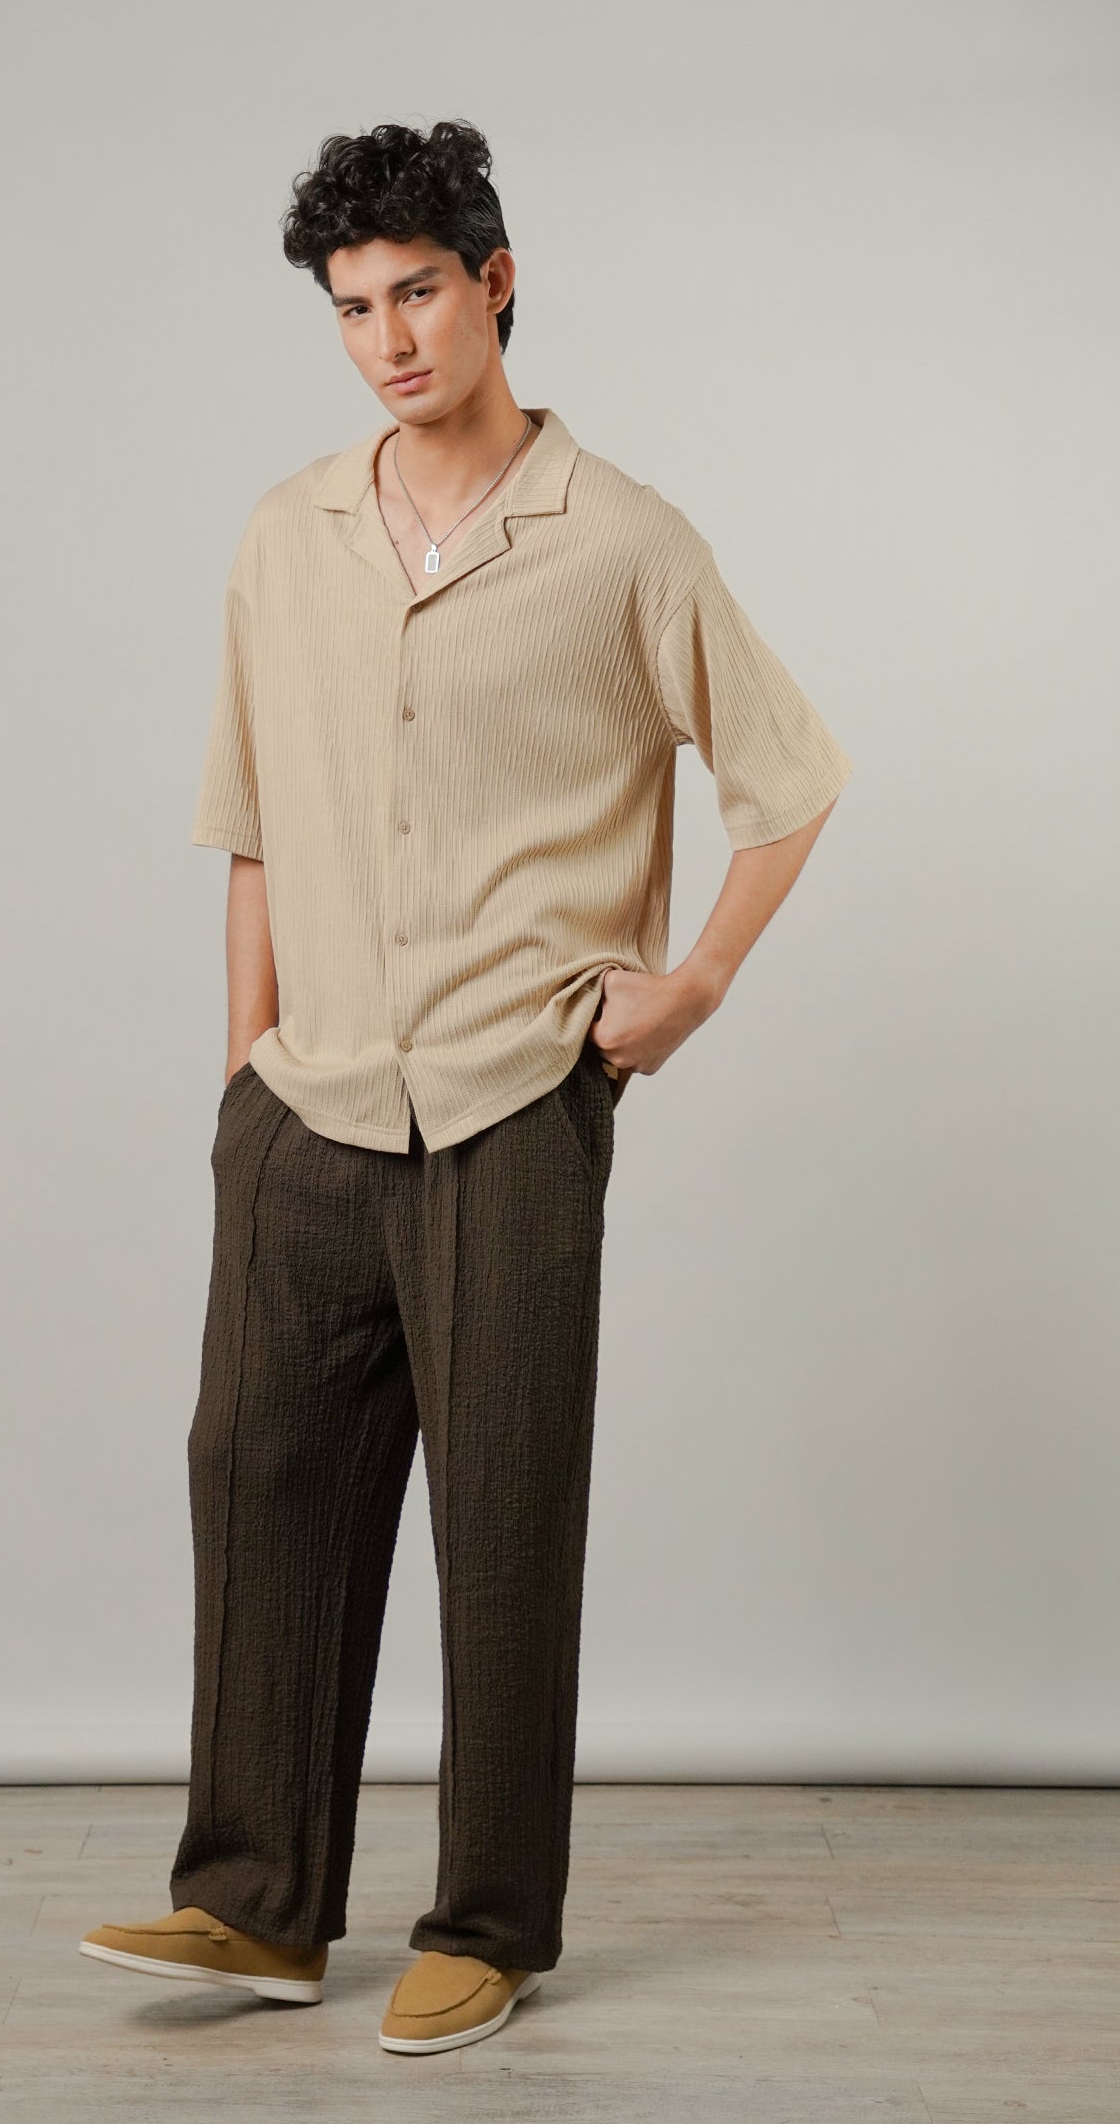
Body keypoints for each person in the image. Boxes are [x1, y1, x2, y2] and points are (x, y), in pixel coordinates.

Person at [80, 117, 854, 2058]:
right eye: (353, 308)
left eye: (418, 291)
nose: (389, 341)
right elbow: (254, 822)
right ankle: (255, 1904)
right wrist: (244, 1078)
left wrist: (690, 988)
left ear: (495, 283)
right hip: (309, 1104)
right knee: (257, 1481)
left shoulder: (625, 542)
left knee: (504, 1513)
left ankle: (490, 1923)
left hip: (517, 1096)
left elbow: (789, 778)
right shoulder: (287, 536)